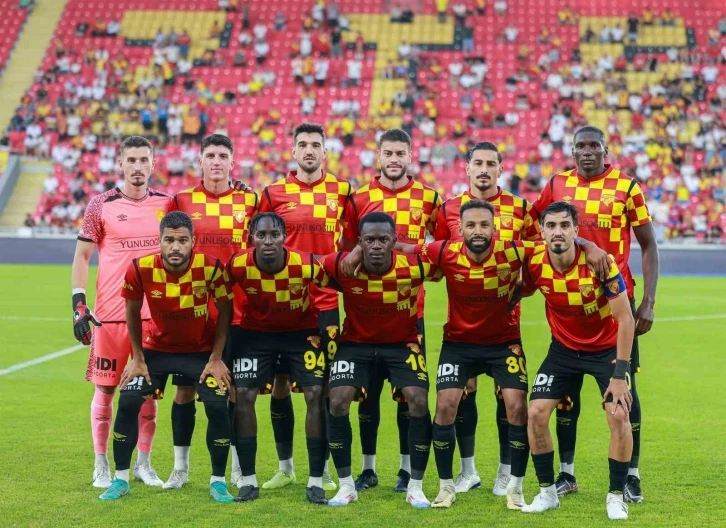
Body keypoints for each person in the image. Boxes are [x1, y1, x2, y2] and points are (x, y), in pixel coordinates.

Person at [432, 142, 608, 496]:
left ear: (501, 169)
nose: (484, 169)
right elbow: (438, 257)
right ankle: (467, 471)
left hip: (505, 324)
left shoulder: (521, 208)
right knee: (461, 396)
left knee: (509, 401)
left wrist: (589, 245)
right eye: (478, 163)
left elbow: (544, 247)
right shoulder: (449, 208)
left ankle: (505, 473)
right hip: (461, 325)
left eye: (491, 163)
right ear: (467, 168)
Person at [531, 126, 659, 503]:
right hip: (570, 299)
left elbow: (649, 244)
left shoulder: (627, 187)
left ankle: (631, 475)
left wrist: (648, 302)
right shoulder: (556, 185)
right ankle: (566, 474)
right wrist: (584, 244)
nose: (588, 152)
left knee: (624, 393)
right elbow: (537, 227)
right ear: (572, 152)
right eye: (581, 146)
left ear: (606, 150)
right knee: (565, 394)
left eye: (594, 146)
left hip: (616, 303)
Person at [407, 200, 542, 509]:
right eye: (471, 225)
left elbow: (551, 245)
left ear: (494, 228)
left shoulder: (513, 250)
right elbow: (404, 248)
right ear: (461, 229)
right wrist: (359, 252)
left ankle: (516, 488)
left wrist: (590, 247)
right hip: (458, 344)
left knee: (517, 407)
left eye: (484, 225)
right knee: (445, 406)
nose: (478, 231)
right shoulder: (444, 251)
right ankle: (446, 486)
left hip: (504, 343)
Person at [101, 211, 235, 502]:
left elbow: (226, 312)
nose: (176, 247)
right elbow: (131, 312)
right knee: (128, 401)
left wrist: (216, 357)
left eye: (182, 240)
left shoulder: (212, 268)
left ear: (193, 242)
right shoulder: (140, 268)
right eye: (169, 240)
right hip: (156, 351)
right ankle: (120, 479)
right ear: (159, 240)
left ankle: (218, 481)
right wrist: (137, 358)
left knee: (217, 406)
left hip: (200, 352)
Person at [519, 201, 634, 520]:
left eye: (564, 225)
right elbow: (516, 287)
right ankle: (547, 493)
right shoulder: (533, 262)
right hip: (563, 350)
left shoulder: (600, 263)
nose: (558, 231)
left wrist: (620, 375)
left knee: (618, 416)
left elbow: (625, 319)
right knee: (536, 413)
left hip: (605, 351)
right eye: (551, 226)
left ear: (575, 230)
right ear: (541, 231)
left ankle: (616, 496)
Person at [341, 128, 442, 493]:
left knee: (409, 395)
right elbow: (347, 251)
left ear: (410, 156)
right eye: (389, 153)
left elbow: (441, 247)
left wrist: (415, 256)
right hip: (366, 311)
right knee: (366, 396)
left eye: (401, 153)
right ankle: (368, 469)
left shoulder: (429, 197)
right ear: (379, 156)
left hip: (410, 312)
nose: (395, 159)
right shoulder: (359, 198)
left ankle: (405, 469)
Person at [321, 212, 441, 507]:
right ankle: (346, 486)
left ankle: (415, 486)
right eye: (369, 240)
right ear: (360, 242)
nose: (376, 246)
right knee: (337, 399)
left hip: (402, 344)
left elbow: (449, 258)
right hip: (355, 344)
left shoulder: (415, 266)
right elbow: (305, 264)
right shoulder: (341, 265)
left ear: (394, 241)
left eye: (383, 239)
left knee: (418, 399)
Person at [257, 122, 352, 492]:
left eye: (315, 144)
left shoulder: (342, 190)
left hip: (324, 304)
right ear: (293, 151)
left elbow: (352, 244)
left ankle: (322, 468)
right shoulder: (273, 193)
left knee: (323, 388)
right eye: (303, 144)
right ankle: (285, 468)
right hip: (282, 303)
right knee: (280, 385)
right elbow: (258, 245)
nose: (309, 150)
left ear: (324, 152)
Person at [72, 136, 170, 489]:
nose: (138, 166)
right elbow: (82, 256)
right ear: (121, 164)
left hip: (153, 316)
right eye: (132, 160)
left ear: (153, 163)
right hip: (111, 316)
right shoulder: (101, 205)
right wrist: (78, 304)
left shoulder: (167, 203)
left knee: (148, 393)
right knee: (106, 391)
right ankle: (101, 464)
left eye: (144, 160)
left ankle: (144, 463)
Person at [164, 134, 259, 490]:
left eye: (222, 155)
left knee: (233, 391)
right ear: (200, 161)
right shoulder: (181, 200)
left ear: (233, 162)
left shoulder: (250, 200)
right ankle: (180, 469)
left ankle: (236, 467)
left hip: (236, 313)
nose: (216, 161)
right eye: (210, 155)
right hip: (192, 312)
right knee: (184, 391)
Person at [227, 213, 330, 504]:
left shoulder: (307, 264)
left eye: (274, 235)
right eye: (261, 235)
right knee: (244, 394)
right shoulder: (238, 264)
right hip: (255, 334)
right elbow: (220, 299)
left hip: (300, 333)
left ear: (285, 236)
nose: (268, 241)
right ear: (252, 237)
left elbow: (334, 287)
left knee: (315, 392)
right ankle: (248, 481)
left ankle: (316, 480)